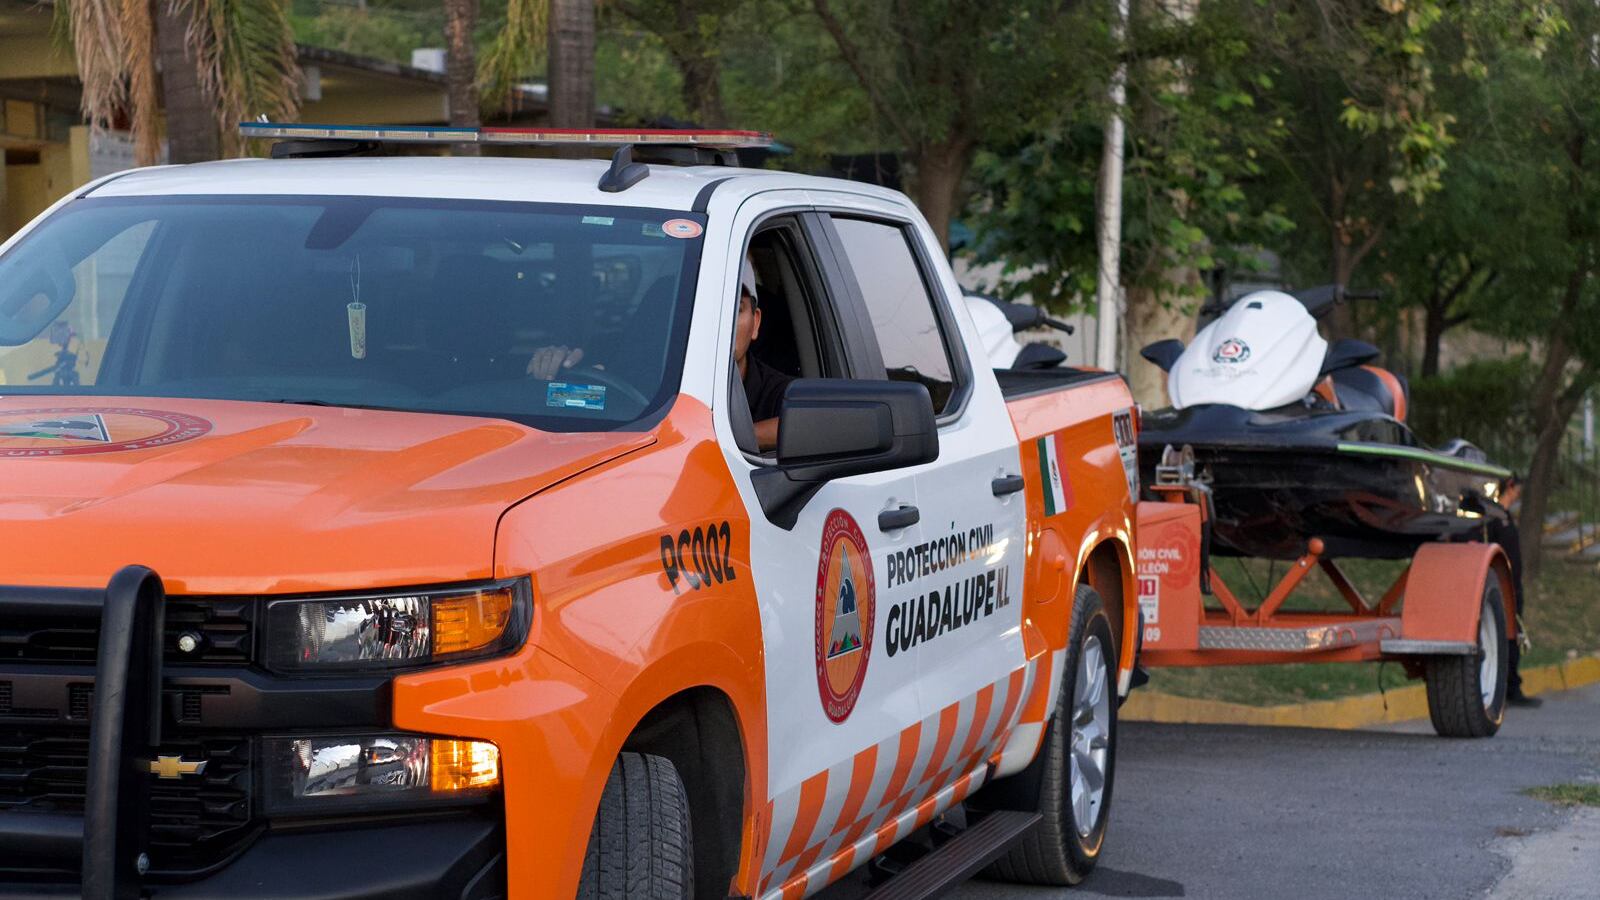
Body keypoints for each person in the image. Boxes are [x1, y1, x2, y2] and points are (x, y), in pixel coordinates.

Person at [527, 254, 793, 450]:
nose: (720, 323)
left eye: (735, 310)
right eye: (699, 309)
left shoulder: (781, 395)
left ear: (756, 323)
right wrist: (552, 376)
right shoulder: (630, 381)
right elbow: (577, 408)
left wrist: (740, 437)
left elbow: (815, 425)